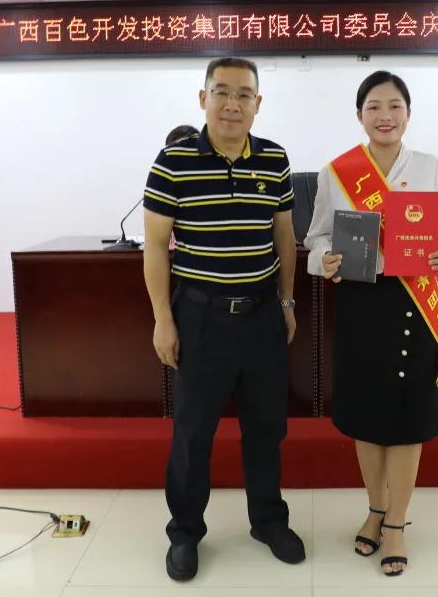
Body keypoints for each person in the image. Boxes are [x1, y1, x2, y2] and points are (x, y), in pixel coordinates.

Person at [304, 70, 438, 576]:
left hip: (414, 304)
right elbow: (316, 238)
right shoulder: (337, 172)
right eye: (374, 106)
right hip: (361, 303)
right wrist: (323, 261)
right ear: (359, 115)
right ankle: (375, 510)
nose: (385, 116)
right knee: (367, 417)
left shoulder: (433, 167)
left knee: (406, 419)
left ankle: (396, 522)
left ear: (408, 113)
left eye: (395, 105)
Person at [142, 57, 305, 582]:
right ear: (203, 98)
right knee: (193, 433)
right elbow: (154, 246)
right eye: (222, 92)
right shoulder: (173, 162)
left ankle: (268, 521)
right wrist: (162, 319)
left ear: (258, 103)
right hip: (201, 318)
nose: (232, 104)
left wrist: (286, 301)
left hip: (261, 316)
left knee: (266, 427)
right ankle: (185, 532)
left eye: (244, 95)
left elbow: (284, 235)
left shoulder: (274, 158)